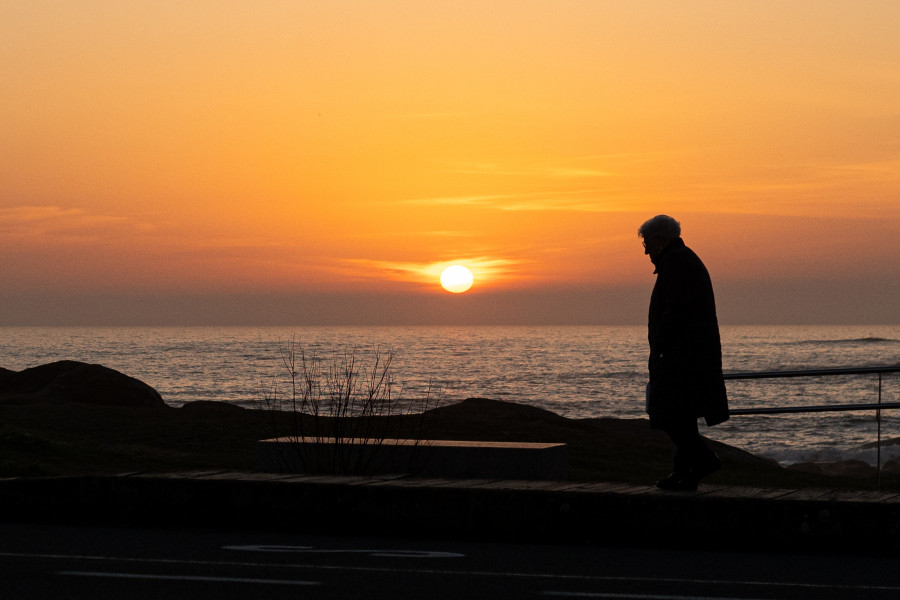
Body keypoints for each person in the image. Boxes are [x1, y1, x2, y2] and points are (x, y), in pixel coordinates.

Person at [638, 215, 729, 491]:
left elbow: (676, 310)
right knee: (682, 417)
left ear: (660, 240)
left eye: (647, 243)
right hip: (689, 356)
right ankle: (684, 473)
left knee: (671, 416)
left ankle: (703, 460)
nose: (645, 251)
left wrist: (663, 348)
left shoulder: (675, 262)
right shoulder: (680, 259)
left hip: (681, 359)